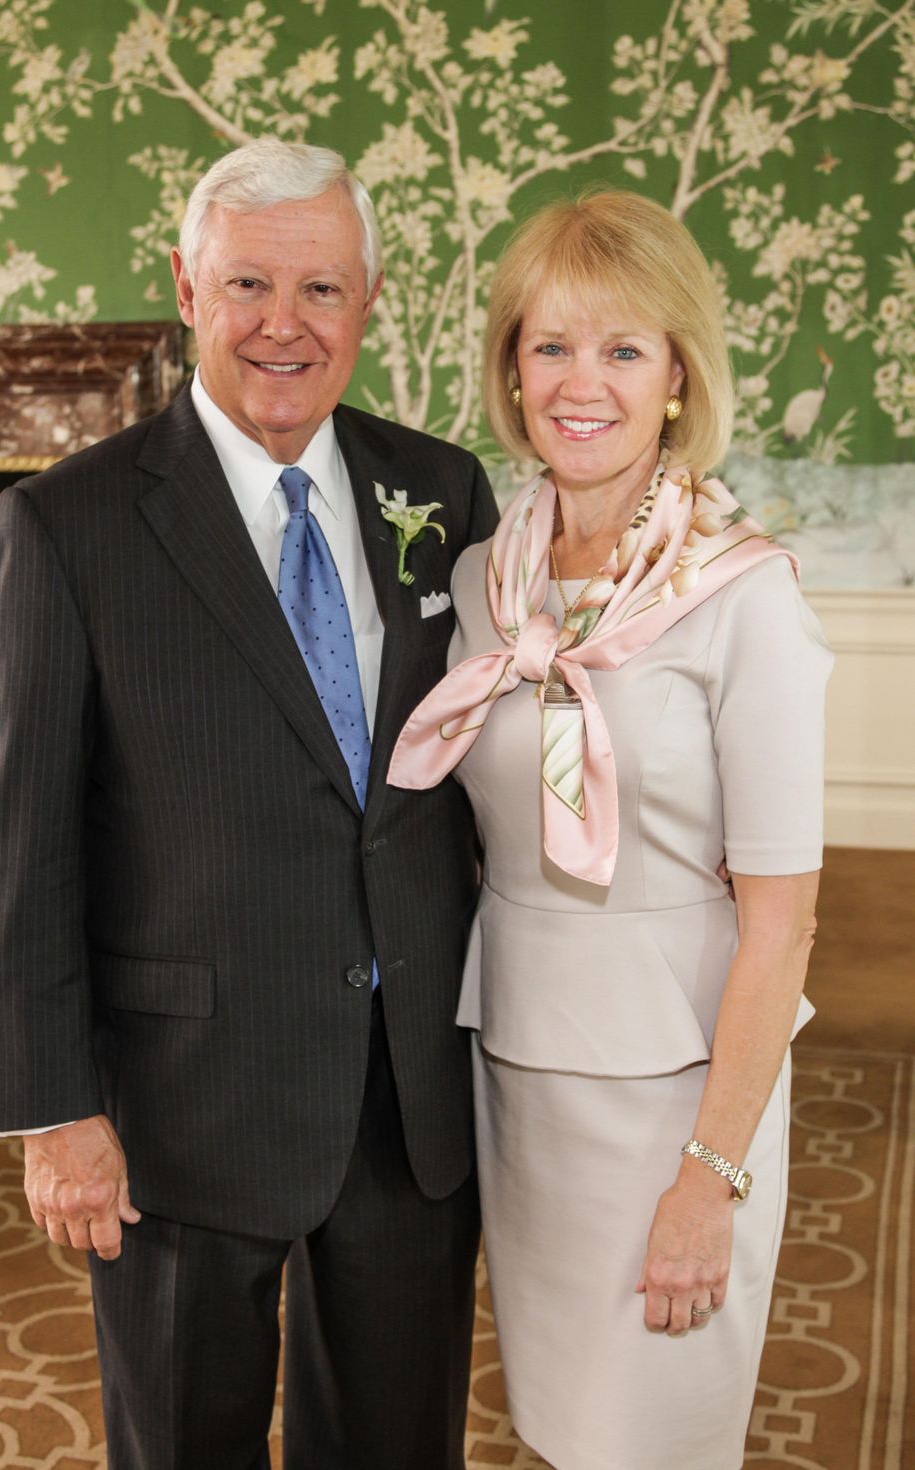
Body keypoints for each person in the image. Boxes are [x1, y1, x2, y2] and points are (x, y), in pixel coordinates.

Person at [0, 137, 498, 1470]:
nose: (284, 322)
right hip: (175, 1113)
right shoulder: (65, 527)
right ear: (188, 289)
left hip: (406, 1104)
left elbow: (484, 788)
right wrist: (54, 1112)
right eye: (248, 281)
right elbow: (18, 851)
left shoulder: (443, 492)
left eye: (322, 289)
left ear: (368, 302)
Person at [388, 189, 833, 1470]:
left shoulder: (741, 597)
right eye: (552, 346)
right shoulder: (483, 579)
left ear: (678, 379)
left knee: (651, 1440)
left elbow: (784, 925)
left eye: (623, 350)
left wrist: (710, 1179)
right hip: (513, 1064)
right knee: (555, 1424)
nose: (583, 383)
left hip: (677, 1093)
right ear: (511, 371)